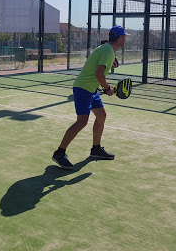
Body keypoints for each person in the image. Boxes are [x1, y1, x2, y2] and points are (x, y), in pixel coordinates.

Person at [52, 25, 129, 169]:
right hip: (83, 88)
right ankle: (59, 153)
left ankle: (96, 149)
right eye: (124, 36)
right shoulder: (108, 51)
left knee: (101, 115)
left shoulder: (106, 49)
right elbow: (99, 74)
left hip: (91, 89)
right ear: (120, 38)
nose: (125, 39)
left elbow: (98, 72)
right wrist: (107, 89)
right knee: (82, 121)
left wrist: (106, 87)